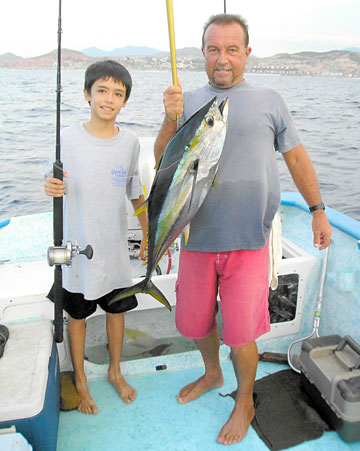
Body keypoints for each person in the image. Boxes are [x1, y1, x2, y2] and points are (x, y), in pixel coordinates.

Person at [154, 14, 332, 446]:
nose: (222, 59)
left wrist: (318, 210)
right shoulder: (188, 98)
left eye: (232, 49)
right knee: (196, 324)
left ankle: (245, 400)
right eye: (214, 49)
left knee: (241, 334)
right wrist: (168, 118)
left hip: (250, 241)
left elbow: (296, 158)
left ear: (247, 53)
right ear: (202, 53)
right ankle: (212, 372)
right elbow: (163, 163)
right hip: (197, 239)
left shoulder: (270, 99)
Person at [45, 60, 147, 414]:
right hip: (77, 250)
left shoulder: (130, 142)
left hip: (115, 249)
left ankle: (115, 371)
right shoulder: (68, 138)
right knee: (78, 316)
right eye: (102, 91)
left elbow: (136, 193)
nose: (109, 99)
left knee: (117, 312)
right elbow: (51, 181)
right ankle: (81, 379)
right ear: (86, 94)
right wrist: (50, 185)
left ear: (125, 101)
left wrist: (148, 232)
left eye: (118, 94)